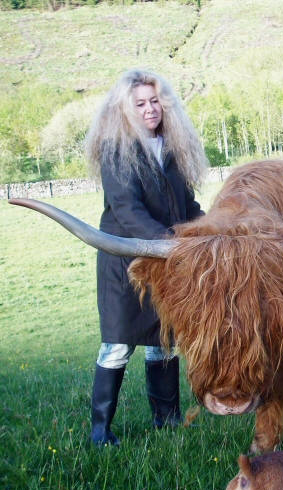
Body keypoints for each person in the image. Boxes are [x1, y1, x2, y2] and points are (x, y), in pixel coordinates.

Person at [85, 69, 207, 446]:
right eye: (140, 103)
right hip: (126, 265)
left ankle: (166, 420)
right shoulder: (115, 149)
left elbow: (187, 206)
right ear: (125, 109)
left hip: (166, 264)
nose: (150, 109)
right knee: (118, 345)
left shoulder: (172, 147)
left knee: (163, 340)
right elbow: (128, 212)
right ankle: (101, 430)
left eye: (155, 101)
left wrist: (212, 230)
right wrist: (173, 243)